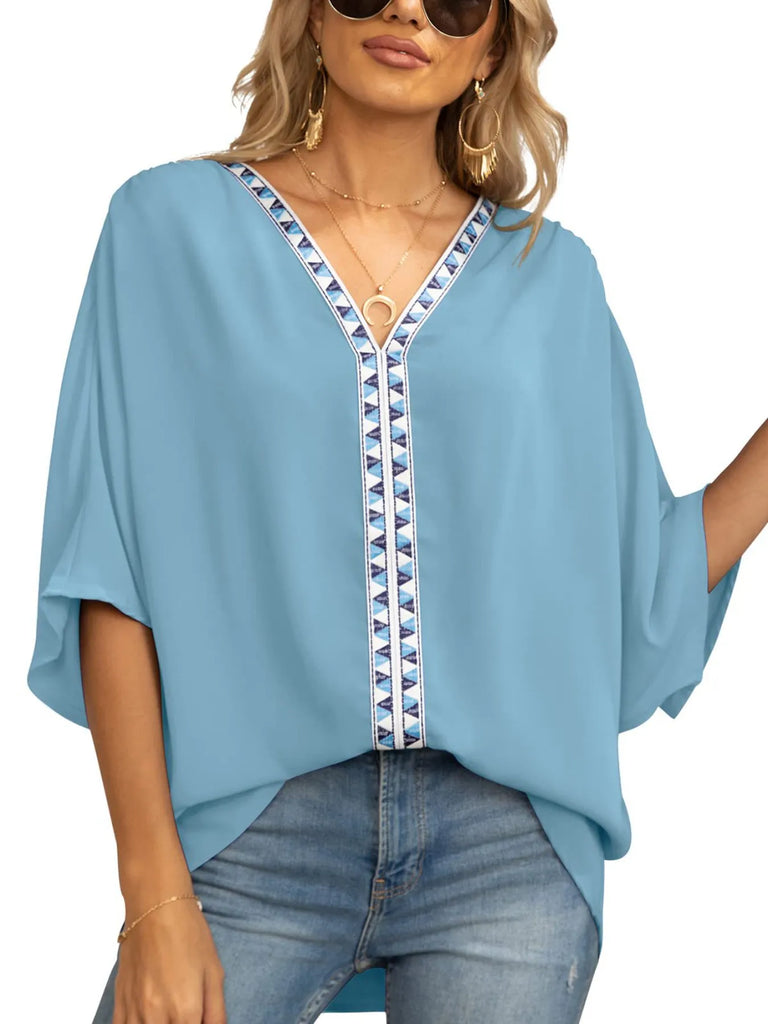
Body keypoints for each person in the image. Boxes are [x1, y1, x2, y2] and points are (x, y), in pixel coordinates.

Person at [26, 0, 765, 1021]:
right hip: (250, 833)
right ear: (309, 16)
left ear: (493, 44)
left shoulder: (549, 275)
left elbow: (637, 589)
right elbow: (111, 571)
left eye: (456, 0)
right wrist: (150, 891)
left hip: (507, 857)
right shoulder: (167, 228)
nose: (409, 10)